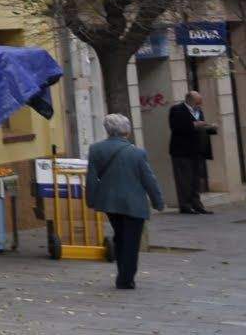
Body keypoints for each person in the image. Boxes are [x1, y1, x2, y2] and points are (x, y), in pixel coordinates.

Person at [88, 113, 163, 290]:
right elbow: (148, 179)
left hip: (110, 203)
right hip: (133, 203)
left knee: (121, 235)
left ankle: (123, 272)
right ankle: (125, 278)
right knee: (131, 240)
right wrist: (157, 201)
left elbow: (91, 178)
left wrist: (91, 200)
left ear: (108, 130)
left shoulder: (96, 149)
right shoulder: (137, 153)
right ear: (127, 131)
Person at [166, 94, 217, 217]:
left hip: (197, 151)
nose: (200, 105)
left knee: (196, 180)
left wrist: (211, 128)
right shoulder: (177, 110)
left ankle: (197, 205)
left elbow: (201, 128)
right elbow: (175, 128)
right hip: (182, 152)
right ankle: (185, 205)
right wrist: (194, 125)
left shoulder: (198, 111)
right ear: (190, 101)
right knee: (184, 180)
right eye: (198, 103)